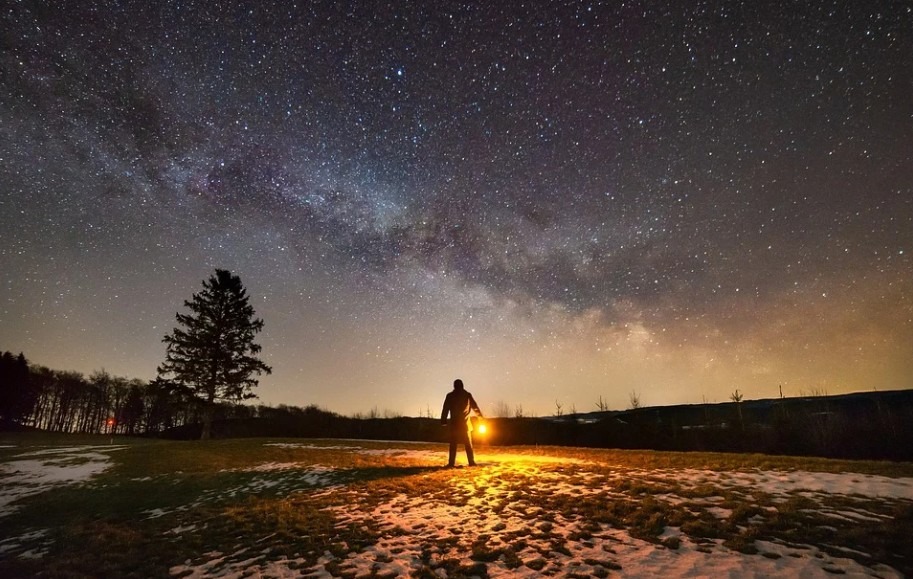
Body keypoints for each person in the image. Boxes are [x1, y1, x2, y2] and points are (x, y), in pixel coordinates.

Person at [440, 378, 483, 467]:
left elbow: (445, 409)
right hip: (465, 424)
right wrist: (480, 417)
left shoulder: (450, 396)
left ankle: (451, 463)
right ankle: (471, 462)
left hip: (455, 424)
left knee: (453, 444)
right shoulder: (467, 395)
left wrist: (443, 420)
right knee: (468, 444)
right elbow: (475, 407)